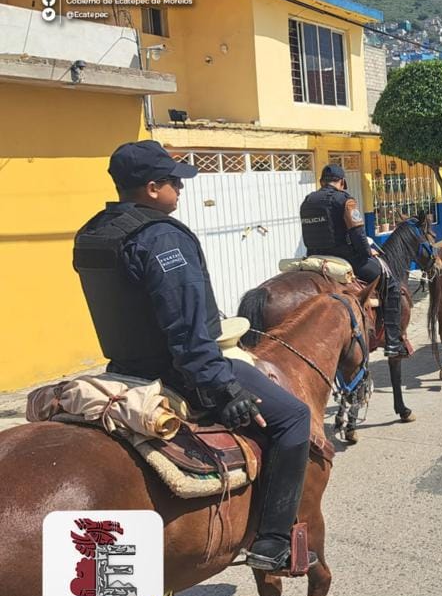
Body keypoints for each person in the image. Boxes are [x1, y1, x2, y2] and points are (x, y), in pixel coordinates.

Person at [73, 140, 316, 573]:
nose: (179, 191)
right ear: (151, 188)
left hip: (124, 368)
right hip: (179, 371)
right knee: (294, 418)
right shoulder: (161, 236)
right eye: (172, 183)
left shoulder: (95, 232)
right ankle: (273, 542)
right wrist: (221, 386)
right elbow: (184, 325)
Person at [300, 164, 405, 358]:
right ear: (341, 182)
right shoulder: (346, 201)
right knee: (392, 285)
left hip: (314, 257)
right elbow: (357, 234)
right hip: (345, 258)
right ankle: (392, 342)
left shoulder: (308, 201)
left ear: (322, 181)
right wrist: (367, 252)